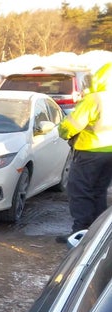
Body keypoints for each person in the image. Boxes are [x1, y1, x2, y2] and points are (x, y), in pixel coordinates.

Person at [57, 62, 112, 242]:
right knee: (99, 191)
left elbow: (70, 126)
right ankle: (98, 235)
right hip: (109, 153)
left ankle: (80, 234)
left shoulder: (95, 99)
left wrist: (62, 131)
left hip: (89, 151)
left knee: (80, 191)